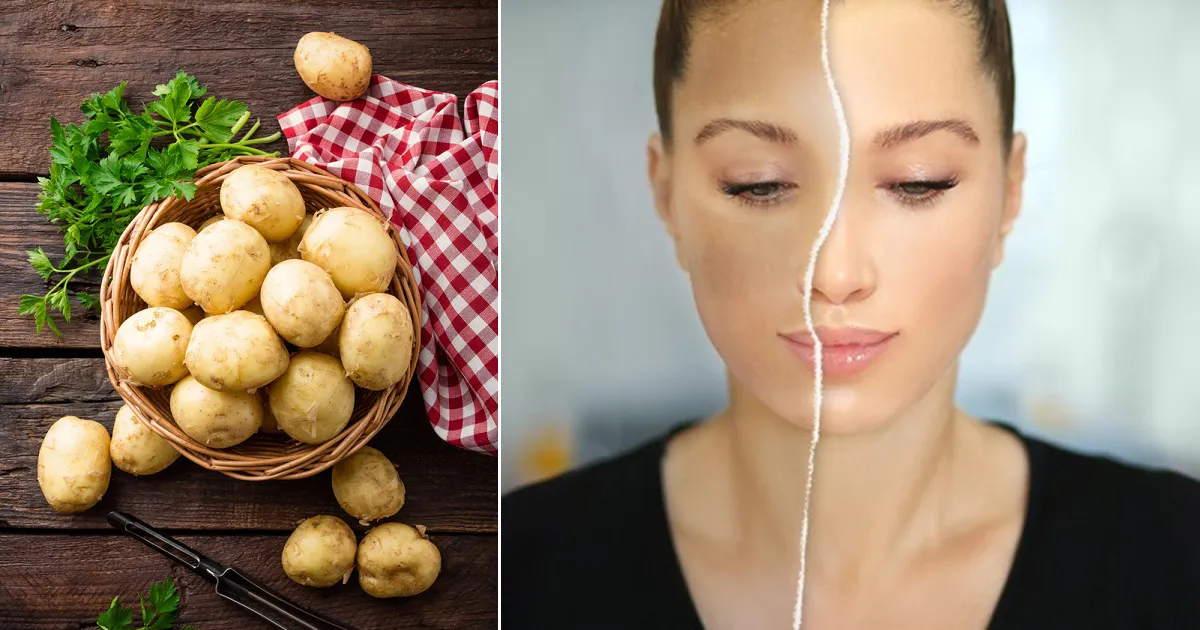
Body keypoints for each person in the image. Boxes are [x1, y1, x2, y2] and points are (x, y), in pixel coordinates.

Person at [502, 0, 1200, 628]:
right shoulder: (516, 574)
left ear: (1010, 194)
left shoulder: (1178, 562)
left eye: (918, 182)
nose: (834, 275)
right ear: (666, 195)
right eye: (759, 185)